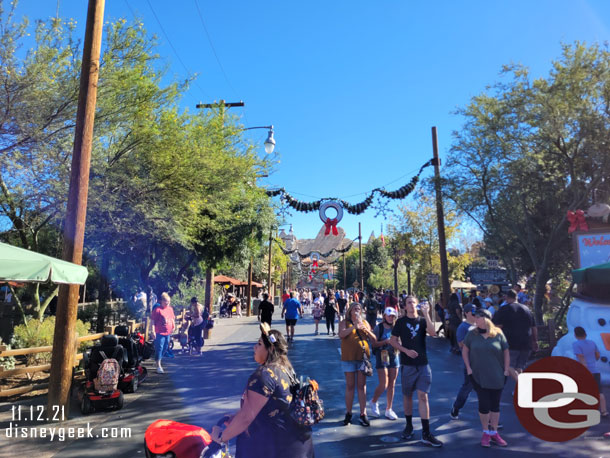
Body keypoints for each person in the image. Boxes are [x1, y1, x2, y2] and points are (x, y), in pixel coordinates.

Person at [211, 323, 314, 458]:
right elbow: (269, 407)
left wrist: (220, 437)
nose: (254, 347)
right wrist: (236, 418)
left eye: (259, 344)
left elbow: (246, 417)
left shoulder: (264, 375)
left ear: (270, 348)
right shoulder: (285, 369)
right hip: (296, 444)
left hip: (278, 448)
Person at [390, 295, 443, 447]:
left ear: (417, 305)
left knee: (423, 396)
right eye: (409, 303)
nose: (412, 305)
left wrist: (426, 314)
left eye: (414, 302)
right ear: (405, 306)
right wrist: (405, 351)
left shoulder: (422, 320)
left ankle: (426, 432)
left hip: (423, 364)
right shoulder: (400, 322)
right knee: (407, 396)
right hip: (407, 365)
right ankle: (409, 425)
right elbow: (393, 341)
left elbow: (433, 333)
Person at [462, 308, 510, 447]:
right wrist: (469, 368)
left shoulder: (498, 334)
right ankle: (485, 433)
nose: (475, 319)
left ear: (486, 319)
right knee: (484, 404)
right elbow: (465, 351)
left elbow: (506, 352)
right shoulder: (472, 334)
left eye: (478, 317)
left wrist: (506, 370)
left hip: (497, 375)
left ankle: (494, 432)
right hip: (478, 375)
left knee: (495, 405)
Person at [338, 302, 376, 427]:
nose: (356, 311)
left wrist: (366, 331)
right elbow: (341, 334)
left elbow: (374, 338)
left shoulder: (365, 322)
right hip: (348, 358)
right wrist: (354, 327)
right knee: (350, 386)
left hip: (362, 359)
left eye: (358, 309)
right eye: (354, 308)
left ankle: (363, 413)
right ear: (350, 311)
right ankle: (348, 413)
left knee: (362, 386)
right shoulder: (344, 322)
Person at [492, 289, 538, 383]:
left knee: (507, 365)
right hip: (526, 343)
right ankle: (518, 390)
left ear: (507, 298)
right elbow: (534, 327)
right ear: (516, 297)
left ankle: (523, 385)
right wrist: (535, 341)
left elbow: (497, 327)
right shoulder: (527, 309)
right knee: (519, 367)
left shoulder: (504, 309)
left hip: (510, 343)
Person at [369, 307, 400, 421]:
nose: (391, 318)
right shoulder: (379, 327)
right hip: (383, 354)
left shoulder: (396, 327)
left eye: (393, 316)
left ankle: (389, 409)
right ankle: (373, 401)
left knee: (392, 383)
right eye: (389, 316)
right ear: (384, 316)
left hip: (395, 354)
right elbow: (374, 344)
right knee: (384, 383)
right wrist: (385, 342)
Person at [573, 326, 608, 416]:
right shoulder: (592, 343)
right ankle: (604, 411)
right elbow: (597, 355)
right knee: (599, 391)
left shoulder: (576, 344)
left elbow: (581, 358)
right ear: (585, 334)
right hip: (595, 370)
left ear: (575, 335)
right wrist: (593, 361)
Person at [450, 303, 477, 419]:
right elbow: (461, 344)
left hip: (484, 364)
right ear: (466, 313)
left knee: (486, 391)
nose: (475, 313)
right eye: (472, 311)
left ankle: (491, 420)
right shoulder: (463, 327)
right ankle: (456, 407)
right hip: (470, 363)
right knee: (467, 388)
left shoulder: (481, 325)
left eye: (476, 311)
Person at [150, 292, 175, 373]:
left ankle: (158, 360)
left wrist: (173, 325)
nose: (167, 303)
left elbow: (172, 318)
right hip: (159, 332)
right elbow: (153, 321)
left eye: (169, 301)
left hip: (168, 332)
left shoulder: (170, 309)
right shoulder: (157, 310)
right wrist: (152, 331)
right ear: (162, 301)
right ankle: (158, 365)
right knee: (159, 348)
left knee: (165, 347)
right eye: (166, 301)